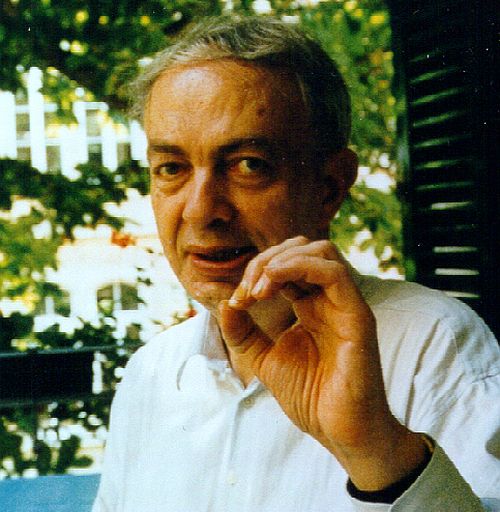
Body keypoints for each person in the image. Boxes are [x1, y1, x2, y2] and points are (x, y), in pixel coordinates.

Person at [93, 16, 500, 511]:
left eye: (249, 165)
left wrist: (376, 451)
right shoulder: (150, 373)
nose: (200, 210)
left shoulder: (433, 344)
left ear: (330, 186)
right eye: (172, 168)